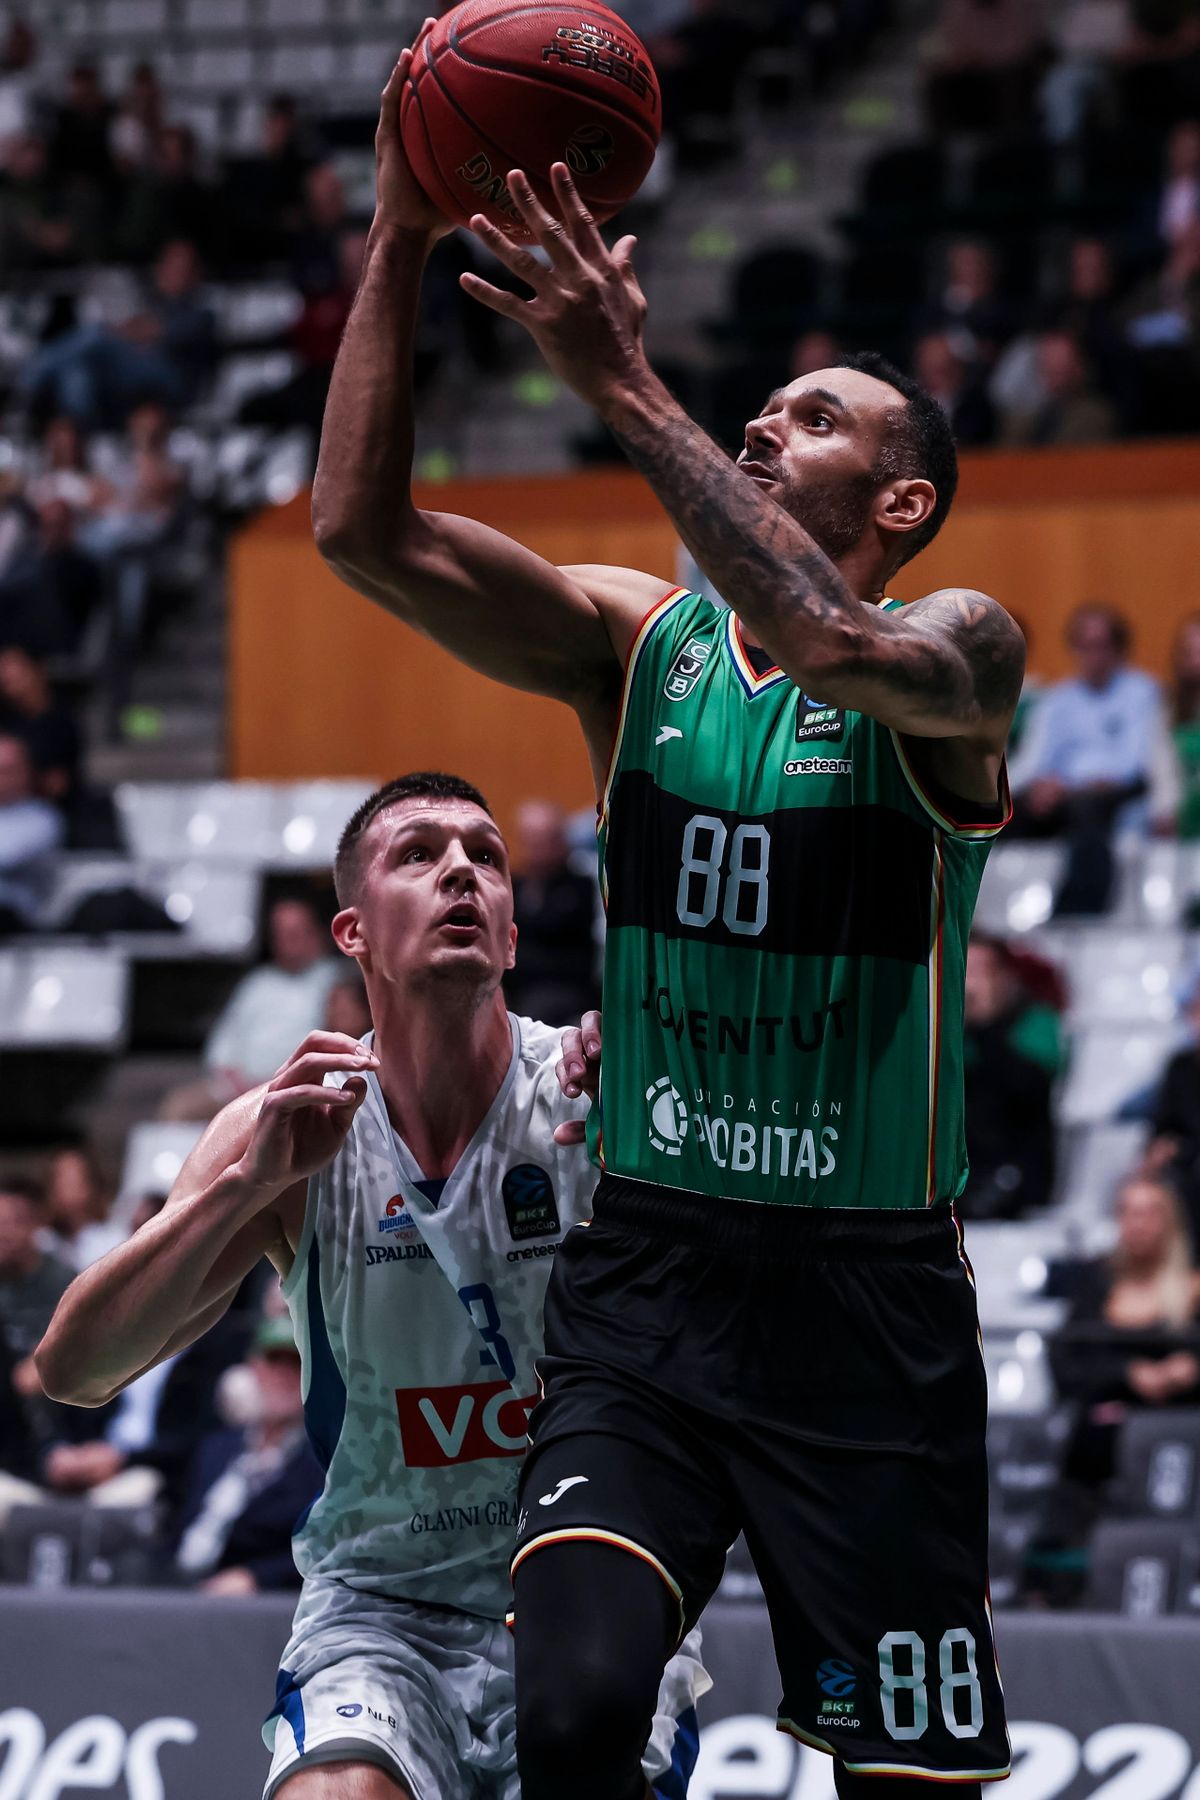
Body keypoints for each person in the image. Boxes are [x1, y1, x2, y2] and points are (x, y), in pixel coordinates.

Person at [312, 38, 1024, 1796]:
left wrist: (626, 385)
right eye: (759, 405)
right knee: (567, 1713)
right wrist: (401, 227)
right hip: (656, 1277)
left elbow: (843, 649)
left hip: (872, 1312)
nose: (769, 420)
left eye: (820, 416)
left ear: (903, 501)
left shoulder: (964, 649)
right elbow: (359, 529)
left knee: (907, 1786)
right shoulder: (642, 649)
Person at [37, 769, 705, 1800]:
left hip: (586, 1589)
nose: (461, 873)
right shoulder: (289, 1127)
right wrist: (247, 1189)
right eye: (420, 854)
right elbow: (74, 1370)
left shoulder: (592, 1100)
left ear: (514, 938)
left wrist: (667, 1149)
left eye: (484, 856)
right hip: (380, 1609)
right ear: (352, 934)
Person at [1008, 602, 1177, 911]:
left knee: (1087, 808)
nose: (1091, 655)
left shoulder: (1143, 693)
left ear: (1118, 649)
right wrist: (1038, 787)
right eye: (1083, 646)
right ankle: (991, 909)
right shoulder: (1056, 701)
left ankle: (1080, 907)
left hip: (1117, 791)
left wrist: (1069, 786)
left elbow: (1133, 763)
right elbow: (1033, 761)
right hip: (1062, 794)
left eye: (1099, 646)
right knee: (1005, 814)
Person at [172, 1313, 323, 1595]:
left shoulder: (324, 1460)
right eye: (273, 1362)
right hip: (173, 1586)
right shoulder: (216, 1448)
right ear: (253, 1369)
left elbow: (329, 1546)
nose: (283, 1375)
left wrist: (256, 1577)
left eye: (296, 1363)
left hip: (252, 1605)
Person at [160, 894, 342, 1121]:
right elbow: (223, 1043)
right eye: (281, 934)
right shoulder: (257, 982)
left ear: (316, 934)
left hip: (296, 1088)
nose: (288, 942)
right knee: (179, 1106)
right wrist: (235, 1080)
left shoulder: (335, 981)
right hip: (236, 1089)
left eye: (295, 933)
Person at [959, 934, 1061, 1219]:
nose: (970, 985)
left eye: (979, 972)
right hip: (961, 1175)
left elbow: (1032, 1086)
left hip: (1020, 1177)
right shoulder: (946, 1032)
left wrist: (984, 1026)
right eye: (964, 970)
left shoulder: (1037, 1021)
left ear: (1004, 978)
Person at [505, 798, 599, 1025]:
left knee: (536, 1009)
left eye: (545, 840)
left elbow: (579, 960)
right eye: (531, 841)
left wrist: (520, 961)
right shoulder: (512, 886)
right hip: (515, 989)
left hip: (564, 993)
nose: (537, 849)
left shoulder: (580, 887)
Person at [0, 729, 62, 932]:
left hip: (17, 922)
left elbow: (5, 857)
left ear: (26, 772)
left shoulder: (41, 818)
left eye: (7, 770)